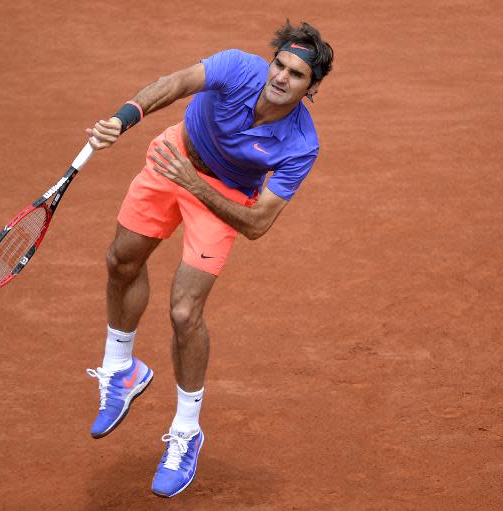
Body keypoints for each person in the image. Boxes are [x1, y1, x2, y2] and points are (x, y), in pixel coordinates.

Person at [84, 20, 334, 498]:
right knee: (122, 261)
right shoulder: (239, 68)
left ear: (313, 86)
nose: (280, 77)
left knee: (184, 312)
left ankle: (186, 430)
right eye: (278, 65)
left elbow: (258, 223)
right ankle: (122, 368)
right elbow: (175, 84)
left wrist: (193, 183)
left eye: (296, 74)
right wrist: (125, 117)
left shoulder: (302, 144)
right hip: (175, 155)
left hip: (223, 198)